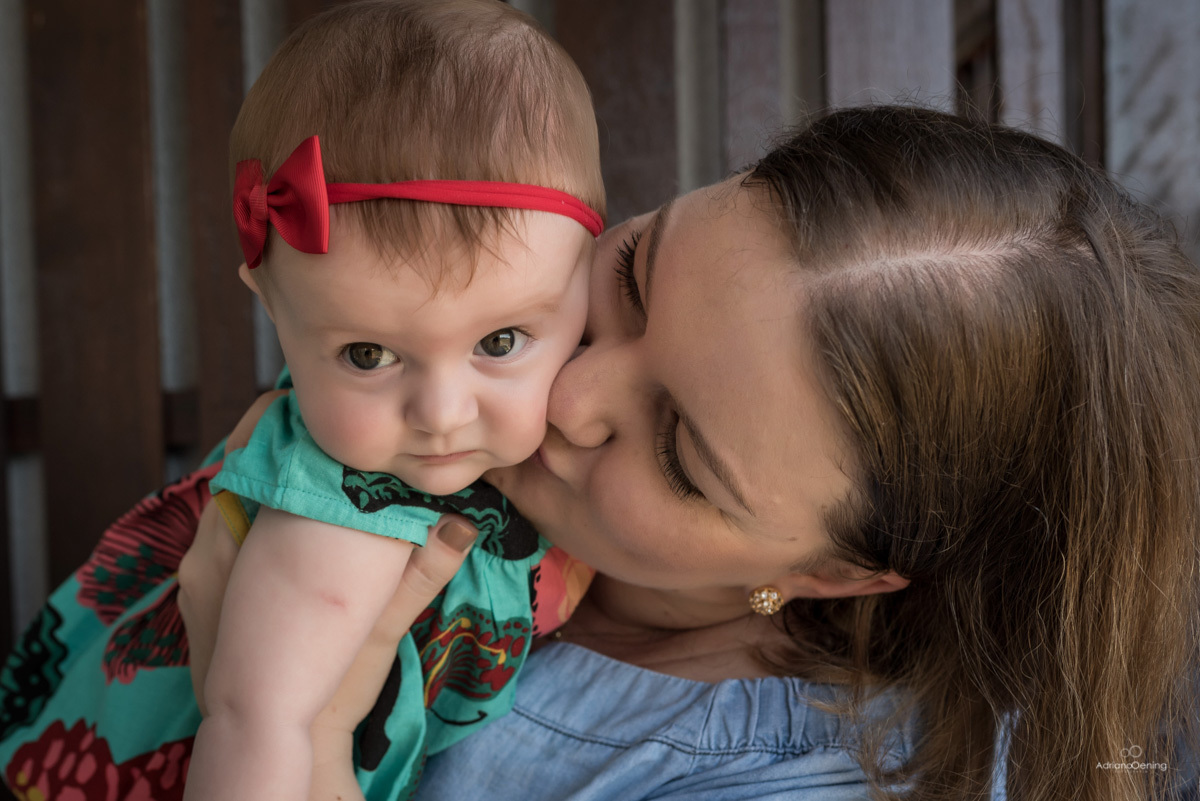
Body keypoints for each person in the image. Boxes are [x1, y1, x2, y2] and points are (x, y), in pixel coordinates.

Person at [183, 105, 1200, 801]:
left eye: (679, 457)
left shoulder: (796, 779)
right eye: (631, 274)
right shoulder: (470, 348)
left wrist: (302, 731)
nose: (571, 395)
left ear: (834, 574)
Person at [0, 1, 602, 800]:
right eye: (368, 354)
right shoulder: (340, 514)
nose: (443, 411)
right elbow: (256, 725)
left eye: (499, 342)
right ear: (272, 308)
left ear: (585, 281)